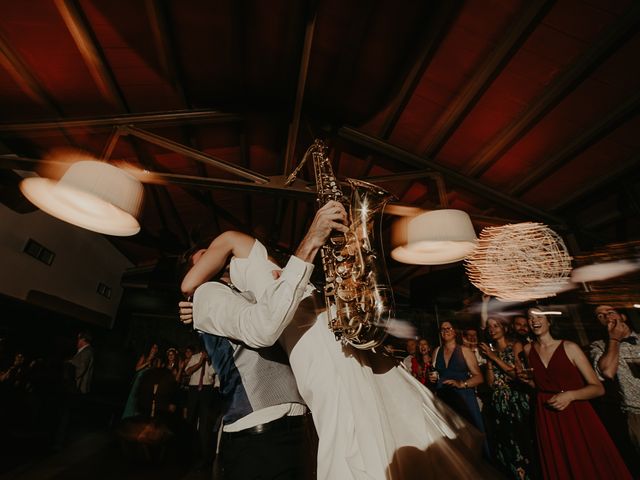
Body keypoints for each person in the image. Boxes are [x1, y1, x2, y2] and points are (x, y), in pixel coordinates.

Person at [180, 200, 498, 479]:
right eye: (198, 259)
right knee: (353, 418)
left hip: (319, 328)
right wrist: (194, 306)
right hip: (310, 337)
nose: (205, 260)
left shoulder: (238, 253)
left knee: (364, 411)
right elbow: (189, 286)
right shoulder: (224, 276)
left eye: (204, 255)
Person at [181, 245, 310, 480]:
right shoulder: (208, 293)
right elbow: (261, 327)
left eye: (213, 251)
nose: (217, 256)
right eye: (204, 258)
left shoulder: (242, 291)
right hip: (259, 435)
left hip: (289, 430)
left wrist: (278, 285)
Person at [522, 309, 632, 480]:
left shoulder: (569, 347)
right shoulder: (528, 350)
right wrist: (526, 381)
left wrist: (570, 395)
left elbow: (598, 388)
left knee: (586, 462)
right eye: (530, 318)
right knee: (560, 463)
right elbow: (542, 384)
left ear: (549, 320)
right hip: (546, 415)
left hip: (576, 413)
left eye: (538, 316)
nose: (534, 321)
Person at [479, 316, 534, 480]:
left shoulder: (515, 345)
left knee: (523, 446)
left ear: (504, 328)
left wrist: (495, 358)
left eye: (496, 325)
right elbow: (491, 384)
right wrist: (489, 360)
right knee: (507, 449)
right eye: (489, 327)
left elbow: (517, 375)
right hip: (498, 404)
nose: (492, 329)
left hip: (516, 401)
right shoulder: (491, 351)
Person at [429, 321, 489, 458]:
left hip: (464, 399)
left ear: (455, 332)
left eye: (448, 328)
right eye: (442, 329)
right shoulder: (437, 351)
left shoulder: (464, 351)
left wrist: (462, 384)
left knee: (470, 439)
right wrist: (433, 379)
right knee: (452, 442)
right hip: (444, 401)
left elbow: (479, 377)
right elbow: (435, 374)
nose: (445, 330)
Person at [589, 305, 640, 456]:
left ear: (623, 317)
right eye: (600, 316)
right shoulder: (598, 346)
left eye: (610, 312)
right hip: (635, 413)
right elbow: (608, 372)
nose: (606, 317)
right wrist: (614, 339)